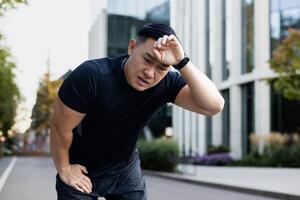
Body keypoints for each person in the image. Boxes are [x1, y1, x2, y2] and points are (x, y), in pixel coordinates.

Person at [50, 23, 224, 200]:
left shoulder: (167, 83)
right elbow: (60, 127)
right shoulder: (93, 75)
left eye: (162, 67)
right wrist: (64, 168)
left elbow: (214, 106)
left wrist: (182, 62)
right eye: (147, 59)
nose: (150, 73)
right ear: (132, 47)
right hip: (81, 168)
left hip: (125, 169)